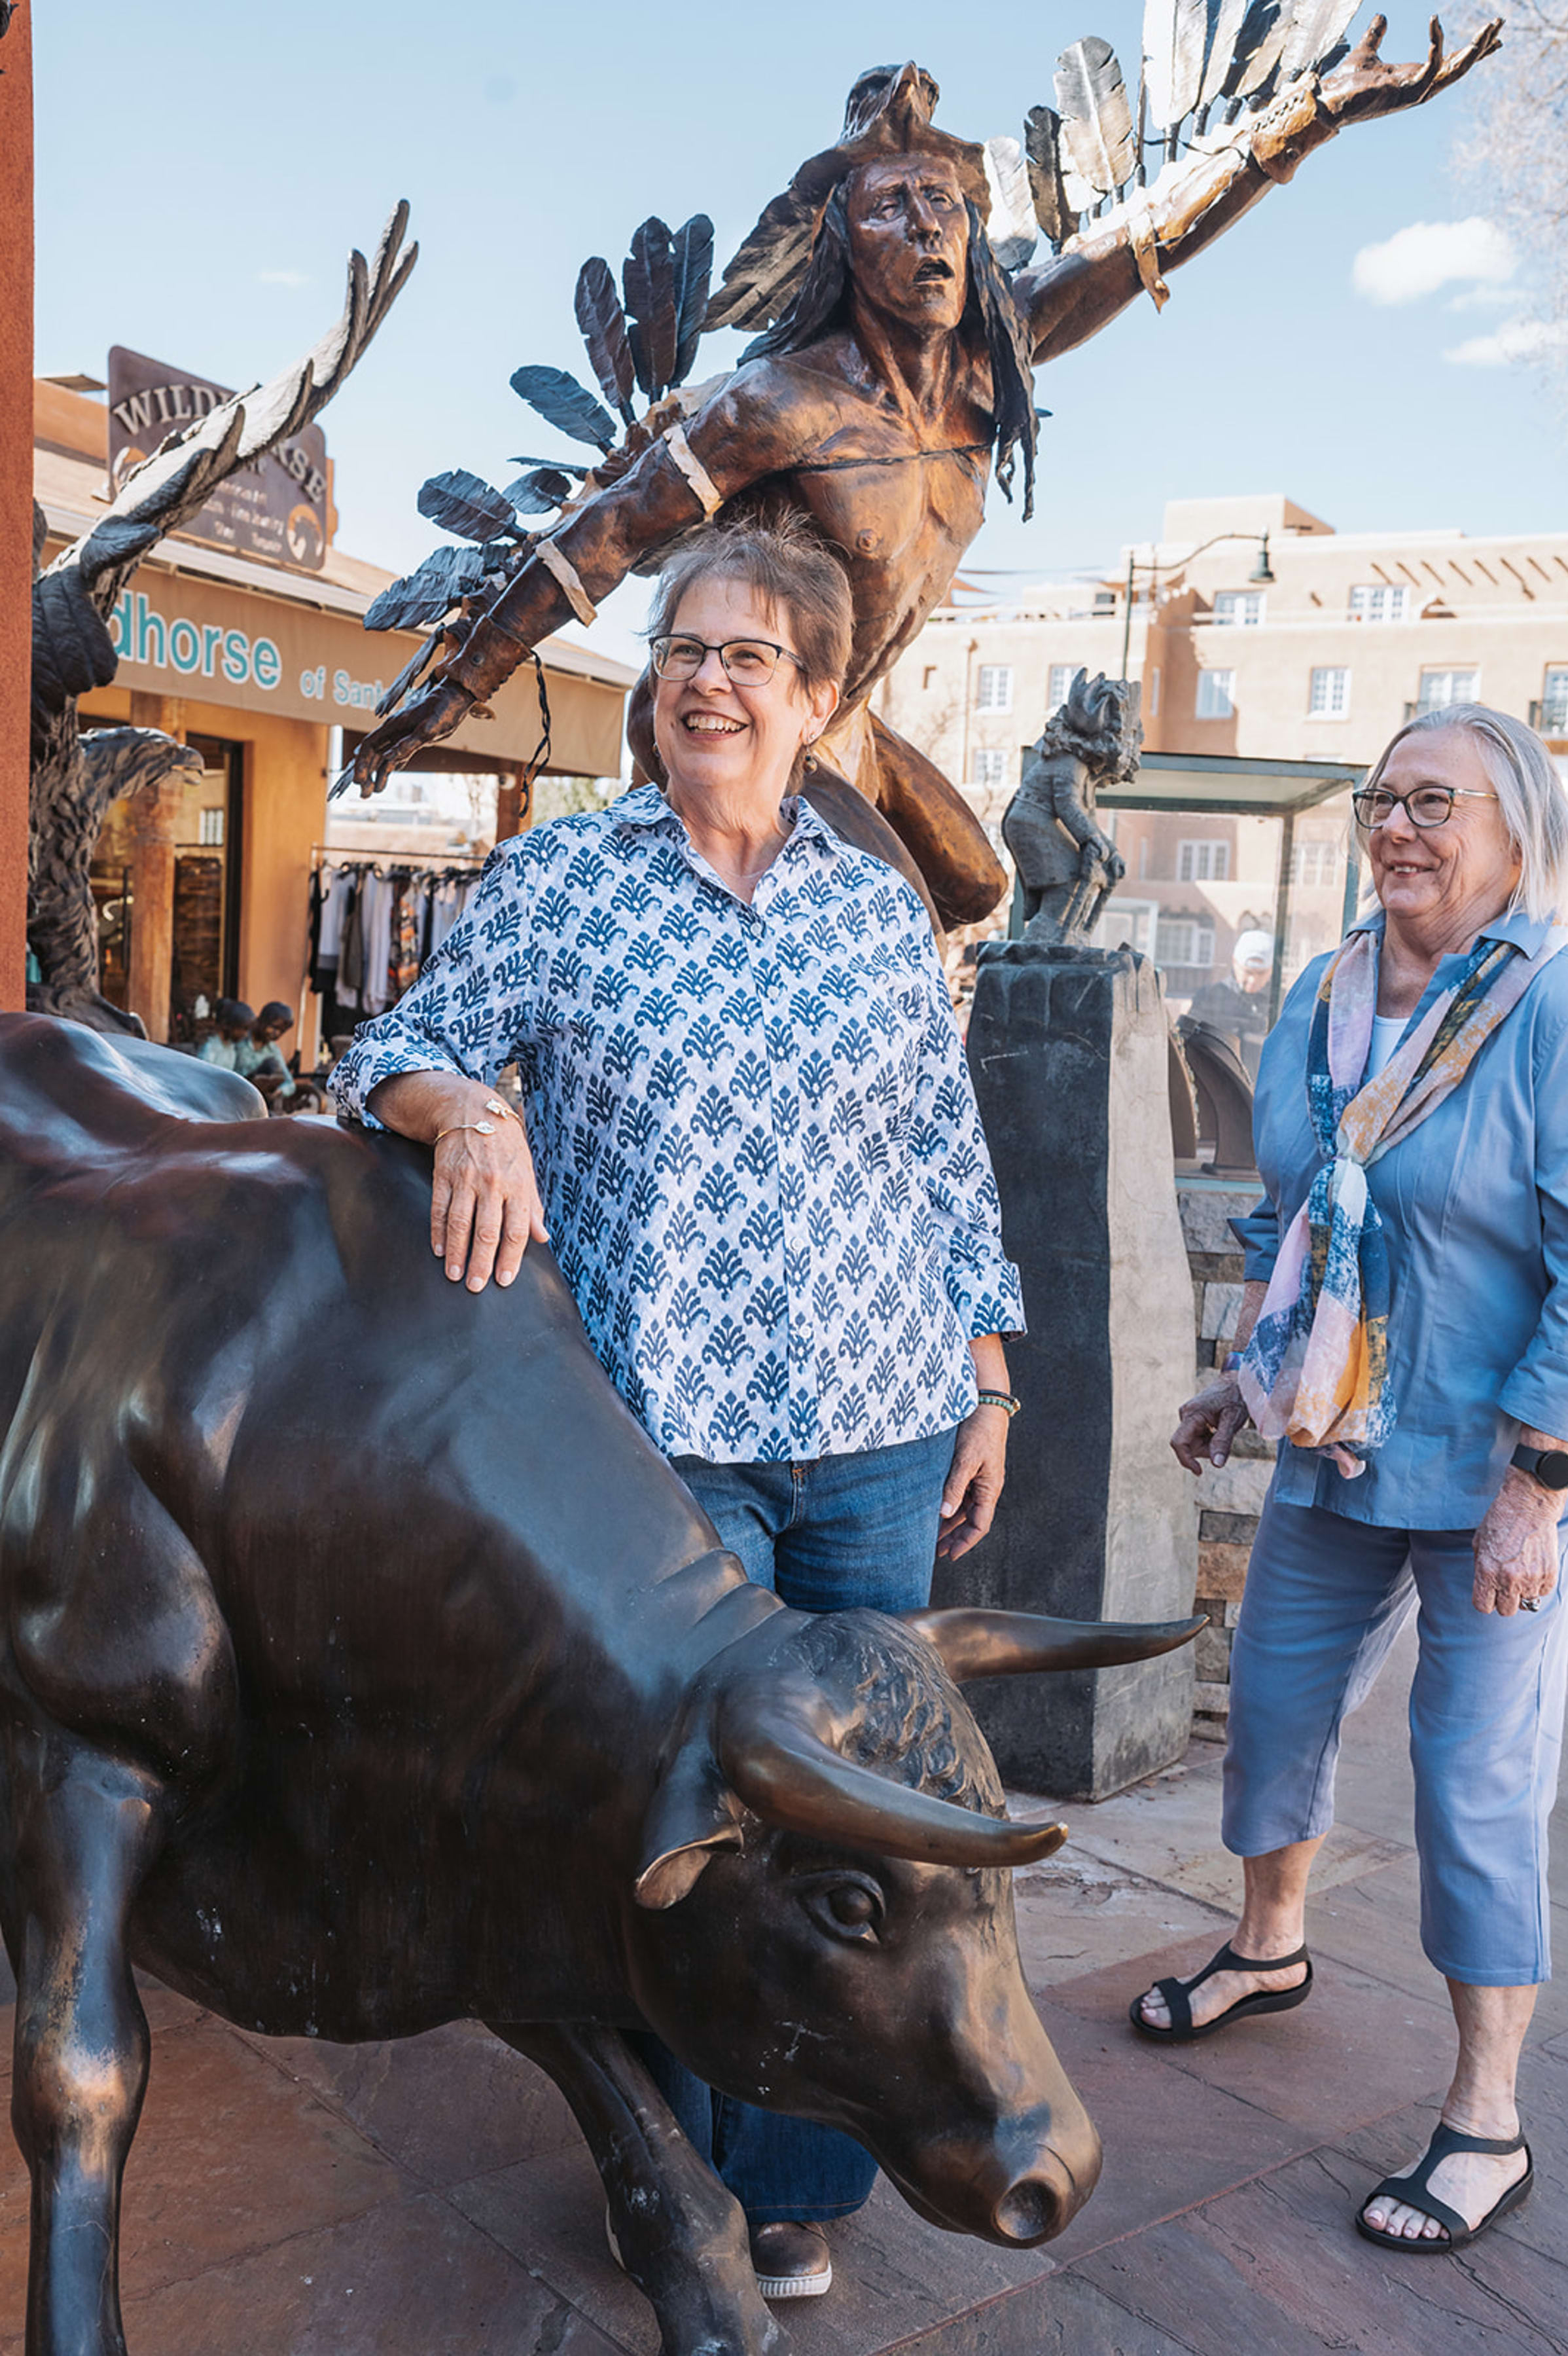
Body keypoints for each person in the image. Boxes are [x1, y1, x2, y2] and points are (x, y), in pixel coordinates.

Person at [329, 520, 1024, 2300]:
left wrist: (988, 1371)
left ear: (816, 697)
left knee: (859, 1806)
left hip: (878, 1418)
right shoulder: (567, 882)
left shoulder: (876, 903)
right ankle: (678, 2165)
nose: (705, 679)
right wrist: (466, 1111)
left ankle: (793, 2177)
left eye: (747, 656)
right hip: (665, 1449)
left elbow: (946, 1159)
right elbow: (379, 1046)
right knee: (693, 1812)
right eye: (682, 647)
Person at [342, 36, 1496, 926]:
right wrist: (452, 690)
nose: (928, 228)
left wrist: (1313, 111)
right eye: (892, 206)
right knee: (881, 924)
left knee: (981, 888)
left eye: (943, 203)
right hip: (736, 726)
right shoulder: (780, 403)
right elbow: (602, 533)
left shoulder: (993, 370)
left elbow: (1150, 234)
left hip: (842, 728)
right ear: (844, 244)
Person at [1133, 704, 1568, 2256]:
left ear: (1511, 830)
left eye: (1432, 800)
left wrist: (1541, 1479)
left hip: (1484, 1464)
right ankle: (1267, 1946)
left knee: (1469, 1779)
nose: (1395, 826)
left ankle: (1484, 2114)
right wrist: (1239, 1376)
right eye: (1379, 798)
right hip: (1331, 1437)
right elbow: (1288, 1218)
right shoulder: (1321, 994)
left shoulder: (1544, 1005)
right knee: (1267, 1702)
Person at [1186, 928, 1275, 1078]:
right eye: (1248, 972)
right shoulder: (1210, 998)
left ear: (1272, 970)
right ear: (1235, 962)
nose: (1253, 980)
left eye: (1261, 973)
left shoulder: (1279, 1002)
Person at [234, 1001, 299, 1104]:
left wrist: (279, 1091)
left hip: (257, 1100)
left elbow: (289, 1083)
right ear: (262, 1021)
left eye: (282, 1031)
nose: (277, 1034)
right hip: (235, 1093)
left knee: (273, 1065)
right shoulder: (240, 1039)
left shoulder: (272, 1049)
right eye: (274, 1027)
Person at [197, 999, 255, 1070]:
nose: (245, 1034)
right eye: (243, 1029)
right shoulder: (209, 1048)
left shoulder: (232, 1047)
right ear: (226, 1026)